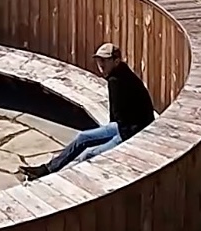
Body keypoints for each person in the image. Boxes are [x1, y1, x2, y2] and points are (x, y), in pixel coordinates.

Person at [20, 43, 155, 179]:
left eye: (104, 60)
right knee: (82, 137)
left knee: (89, 155)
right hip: (125, 125)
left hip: (133, 132)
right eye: (98, 60)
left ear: (116, 61)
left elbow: (118, 112)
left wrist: (117, 137)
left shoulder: (117, 80)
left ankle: (59, 181)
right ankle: (47, 169)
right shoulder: (120, 73)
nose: (100, 64)